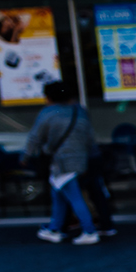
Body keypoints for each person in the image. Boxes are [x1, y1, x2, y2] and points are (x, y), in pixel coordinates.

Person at [23, 78, 100, 246]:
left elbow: (35, 137)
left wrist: (25, 156)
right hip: (80, 159)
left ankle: (89, 230)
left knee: (73, 196)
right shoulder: (79, 111)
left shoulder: (48, 113)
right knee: (58, 193)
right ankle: (54, 228)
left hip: (61, 161)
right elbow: (90, 138)